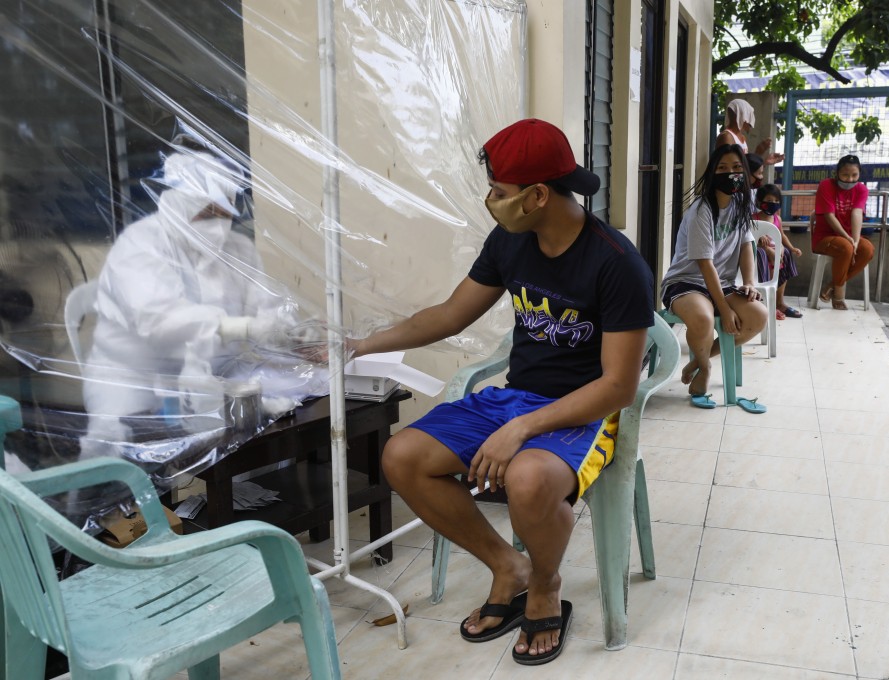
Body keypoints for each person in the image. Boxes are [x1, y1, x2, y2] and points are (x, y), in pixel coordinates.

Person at [348, 119, 653, 665]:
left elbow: (618, 386)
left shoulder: (617, 263)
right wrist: (361, 345)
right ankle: (505, 566)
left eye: (500, 192)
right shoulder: (510, 240)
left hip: (585, 411)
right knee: (403, 457)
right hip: (516, 398)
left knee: (528, 477)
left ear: (538, 195)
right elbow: (449, 314)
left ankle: (544, 584)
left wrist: (523, 430)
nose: (491, 201)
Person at [81, 143, 328, 466]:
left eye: (224, 213)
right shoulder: (140, 245)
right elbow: (158, 324)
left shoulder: (238, 248)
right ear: (180, 205)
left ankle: (252, 500)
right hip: (136, 378)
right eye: (206, 212)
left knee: (299, 406)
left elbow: (263, 304)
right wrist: (240, 327)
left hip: (216, 373)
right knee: (127, 463)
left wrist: (284, 329)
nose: (217, 224)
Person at [661, 144, 767, 410]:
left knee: (758, 316)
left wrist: (750, 282)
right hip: (685, 282)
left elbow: (746, 246)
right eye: (721, 168)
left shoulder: (741, 205)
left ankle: (698, 360)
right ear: (711, 173)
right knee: (703, 318)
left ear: (745, 174)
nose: (729, 173)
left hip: (724, 283)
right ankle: (705, 369)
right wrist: (724, 307)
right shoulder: (701, 210)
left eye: (735, 168)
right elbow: (704, 263)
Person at [812, 154, 875, 310]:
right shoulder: (826, 185)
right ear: (837, 173)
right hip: (824, 237)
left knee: (867, 250)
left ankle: (831, 286)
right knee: (846, 248)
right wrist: (848, 239)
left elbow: (857, 213)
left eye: (854, 175)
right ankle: (838, 296)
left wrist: (855, 240)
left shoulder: (861, 189)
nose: (850, 179)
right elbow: (829, 216)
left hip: (848, 237)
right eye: (845, 175)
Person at [753, 184, 802, 319]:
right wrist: (766, 248)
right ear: (759, 202)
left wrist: (791, 248)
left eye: (776, 202)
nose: (773, 204)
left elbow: (781, 236)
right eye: (769, 201)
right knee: (763, 258)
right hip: (760, 256)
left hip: (777, 255)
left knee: (785, 253)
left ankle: (779, 303)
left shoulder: (777, 219)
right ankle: (767, 305)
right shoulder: (753, 219)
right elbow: (749, 239)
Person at [716, 99, 784, 166]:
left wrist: (763, 161)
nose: (751, 120)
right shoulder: (727, 137)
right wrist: (757, 153)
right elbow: (729, 168)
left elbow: (745, 167)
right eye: (750, 115)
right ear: (743, 115)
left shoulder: (742, 138)